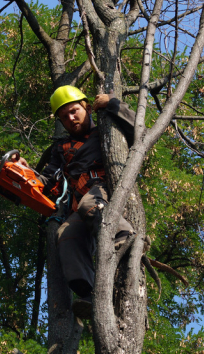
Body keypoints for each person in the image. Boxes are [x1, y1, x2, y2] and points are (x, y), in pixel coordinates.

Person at [18, 86, 136, 319]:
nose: (70, 118)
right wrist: (26, 171)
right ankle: (89, 293)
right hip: (84, 200)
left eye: (74, 111)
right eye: (64, 116)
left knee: (88, 205)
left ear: (87, 107)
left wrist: (113, 103)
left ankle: (125, 238)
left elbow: (138, 130)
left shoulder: (105, 127)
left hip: (107, 187)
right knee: (66, 234)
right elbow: (49, 180)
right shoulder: (61, 148)